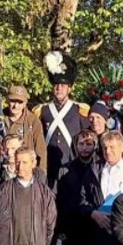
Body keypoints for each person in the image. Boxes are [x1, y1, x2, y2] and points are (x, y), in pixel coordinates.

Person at [56, 129, 99, 245]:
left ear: (95, 146)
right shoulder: (65, 169)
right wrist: (60, 229)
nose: (84, 147)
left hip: (92, 228)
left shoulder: (100, 168)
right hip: (71, 228)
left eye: (89, 144)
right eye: (81, 144)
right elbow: (58, 201)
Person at [34, 51, 90, 187]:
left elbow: (86, 137)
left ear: (69, 88)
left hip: (71, 165)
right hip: (48, 167)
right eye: (56, 85)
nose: (59, 88)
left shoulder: (79, 110)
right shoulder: (42, 111)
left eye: (63, 85)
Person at [3, 85, 47, 173]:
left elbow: (41, 151)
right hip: (2, 170)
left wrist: (41, 175)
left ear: (25, 103)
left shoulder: (33, 121)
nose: (16, 106)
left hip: (25, 171)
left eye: (20, 102)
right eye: (13, 101)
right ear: (7, 100)